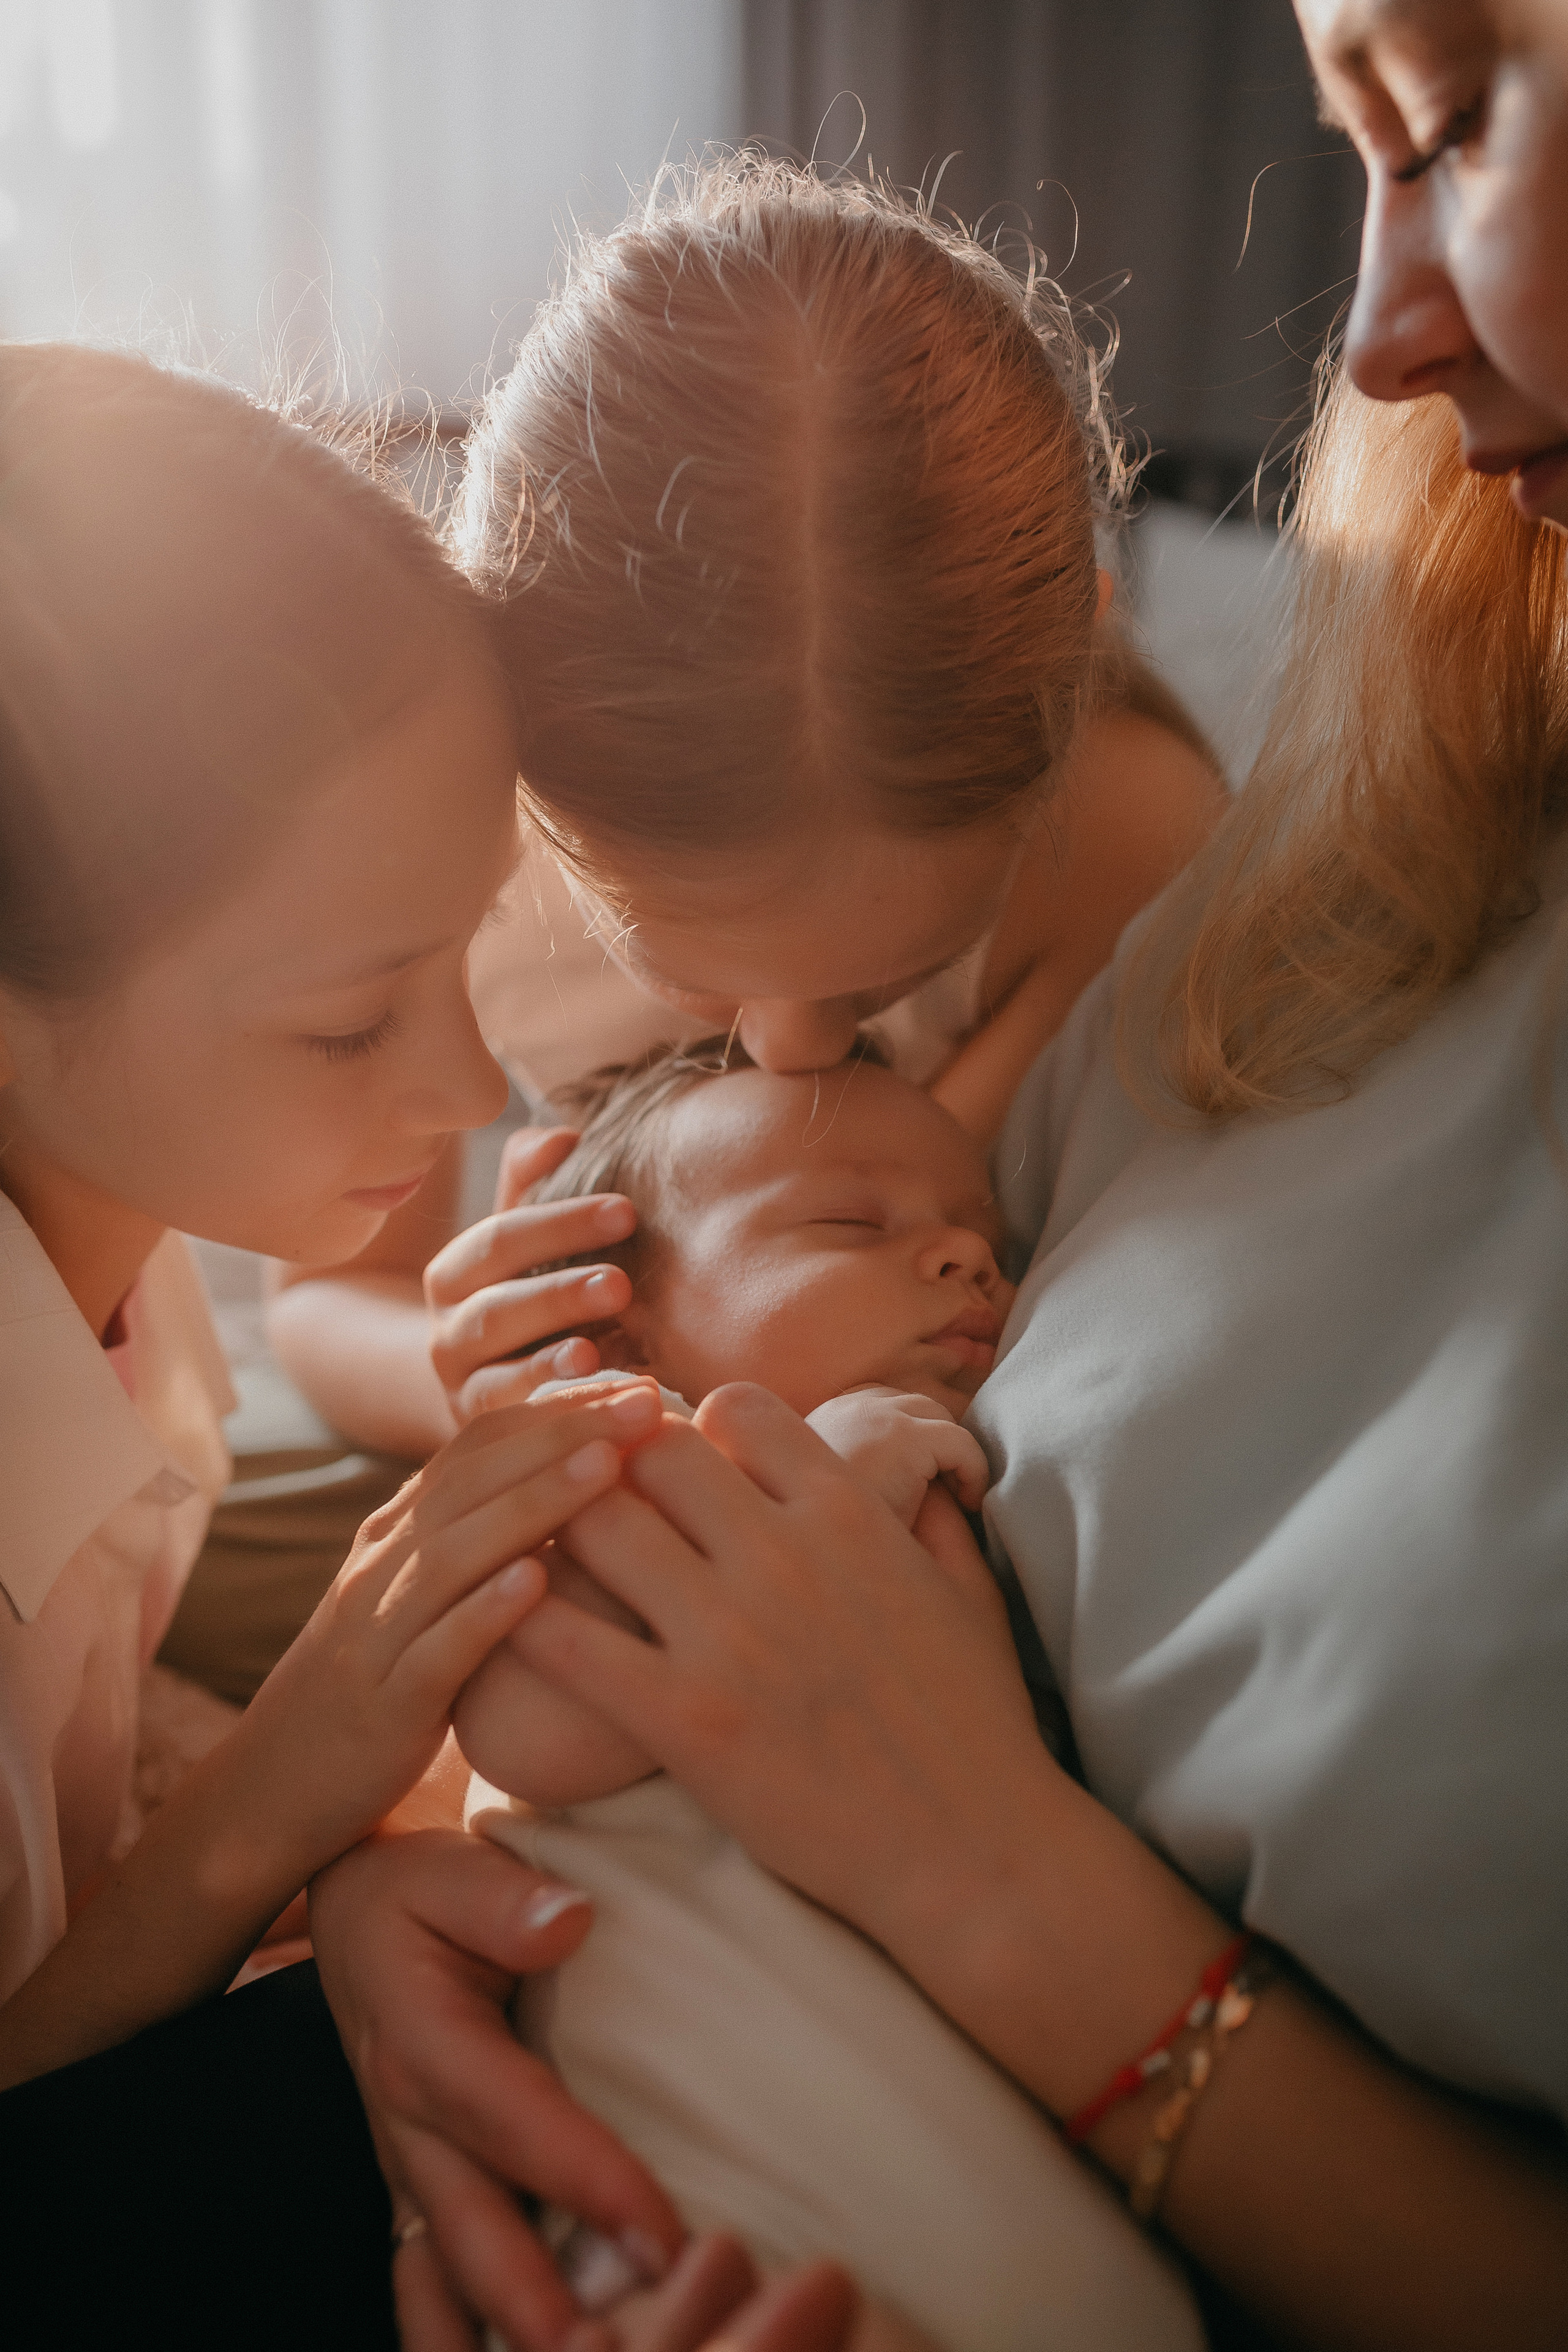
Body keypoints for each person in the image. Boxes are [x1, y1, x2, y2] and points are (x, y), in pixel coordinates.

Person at [339, 13, 1568, 2348]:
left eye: (1456, 122)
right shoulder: (1376, 871)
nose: (796, 1055)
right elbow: (393, 1325)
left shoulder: (1143, 898)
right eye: (1369, 148)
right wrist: (413, 1858)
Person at [0, 344, 846, 2352]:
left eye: (466, 949)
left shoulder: (112, 1267)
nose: (470, 1086)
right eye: (348, 1022)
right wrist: (271, 1805)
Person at [266, 159, 1223, 1460]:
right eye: (692, 969)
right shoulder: (440, 838)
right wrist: (471, 1374)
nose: (795, 1051)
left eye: (889, 977)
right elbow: (325, 1299)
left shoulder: (1124, 837)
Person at [451, 1038, 1204, 2352]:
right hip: (708, 2218)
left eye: (984, 1235)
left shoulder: (999, 1495)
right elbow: (519, 1725)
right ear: (622, 1333)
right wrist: (811, 1485)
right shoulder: (617, 1487)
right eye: (850, 1224)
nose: (963, 1256)